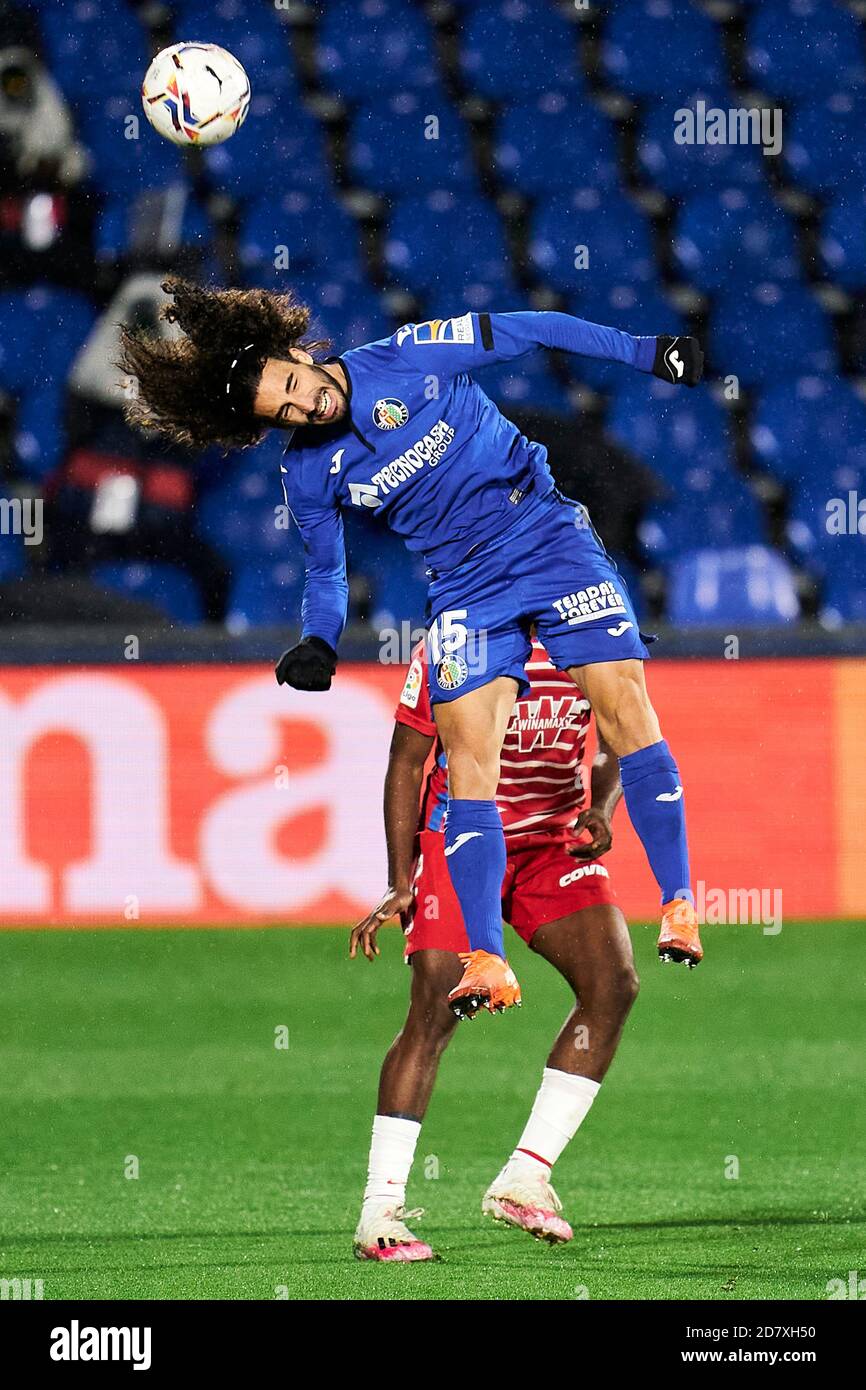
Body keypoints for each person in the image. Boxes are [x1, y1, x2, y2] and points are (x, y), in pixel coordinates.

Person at [120, 279, 705, 1020]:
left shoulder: (409, 355)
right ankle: (486, 958)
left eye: (297, 384)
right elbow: (327, 572)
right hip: (465, 586)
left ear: (301, 350)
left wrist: (646, 352)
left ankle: (680, 902)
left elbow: (531, 327)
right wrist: (318, 642)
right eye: (288, 410)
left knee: (623, 705)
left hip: (548, 538)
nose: (308, 405)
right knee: (468, 765)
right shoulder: (306, 472)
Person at [349, 637, 646, 1261]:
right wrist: (400, 880)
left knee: (613, 982)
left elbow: (623, 731)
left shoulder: (594, 631)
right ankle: (379, 1214)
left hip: (548, 844)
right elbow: (407, 760)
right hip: (459, 834)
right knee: (437, 1009)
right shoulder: (455, 640)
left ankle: (524, 1177)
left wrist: (602, 808)